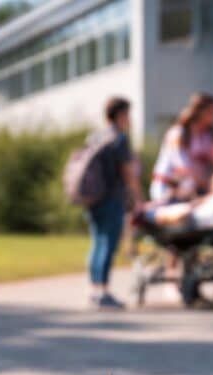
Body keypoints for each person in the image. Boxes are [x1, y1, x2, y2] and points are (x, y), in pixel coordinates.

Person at [86, 96, 144, 309]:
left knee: (97, 243)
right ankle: (103, 291)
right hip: (111, 198)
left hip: (92, 198)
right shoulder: (119, 139)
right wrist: (138, 198)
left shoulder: (95, 137)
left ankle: (94, 289)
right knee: (108, 244)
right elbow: (128, 172)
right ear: (121, 115)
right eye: (128, 114)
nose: (130, 119)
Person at [150, 92, 213, 203]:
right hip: (168, 189)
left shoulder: (210, 136)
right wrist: (208, 183)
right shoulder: (178, 133)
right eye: (211, 111)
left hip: (193, 191)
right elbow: (183, 167)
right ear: (200, 111)